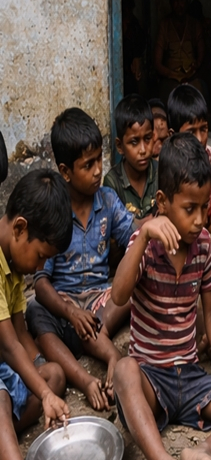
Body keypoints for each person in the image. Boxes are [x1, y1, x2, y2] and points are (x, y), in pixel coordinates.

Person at [112, 133, 211, 460]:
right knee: (124, 371)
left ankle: (205, 453)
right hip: (150, 379)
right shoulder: (146, 244)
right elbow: (119, 294)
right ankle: (161, 457)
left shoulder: (204, 246)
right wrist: (142, 238)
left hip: (192, 378)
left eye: (204, 206)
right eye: (188, 208)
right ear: (163, 202)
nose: (199, 220)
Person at [26, 108, 135, 412]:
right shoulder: (55, 212)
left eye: (99, 160)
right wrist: (69, 312)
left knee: (131, 289)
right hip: (66, 306)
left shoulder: (108, 201)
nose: (99, 170)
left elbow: (132, 240)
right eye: (88, 165)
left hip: (102, 303)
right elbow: (41, 281)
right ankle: (86, 378)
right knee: (36, 309)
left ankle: (109, 352)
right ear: (65, 171)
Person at [0, 170, 72, 460]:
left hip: (4, 369)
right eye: (41, 255)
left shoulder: (14, 266)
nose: (40, 265)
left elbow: (20, 333)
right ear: (20, 228)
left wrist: (46, 389)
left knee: (54, 375)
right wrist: (43, 395)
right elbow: (8, 345)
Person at [167, 85, 211, 278]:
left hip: (203, 236)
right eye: (190, 131)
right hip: (176, 239)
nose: (199, 139)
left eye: (203, 129)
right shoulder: (165, 166)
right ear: (173, 134)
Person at [104, 94, 158, 222]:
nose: (143, 150)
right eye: (134, 142)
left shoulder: (160, 172)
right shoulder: (113, 183)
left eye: (147, 139)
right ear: (120, 146)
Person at [153, 0, 205, 102]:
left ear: (187, 0)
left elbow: (201, 55)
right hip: (170, 80)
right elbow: (157, 63)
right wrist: (172, 74)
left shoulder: (194, 24)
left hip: (192, 78)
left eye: (182, 0)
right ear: (170, 2)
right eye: (175, 0)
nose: (179, 5)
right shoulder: (164, 25)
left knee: (200, 94)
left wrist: (196, 65)